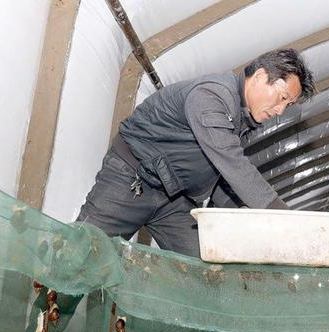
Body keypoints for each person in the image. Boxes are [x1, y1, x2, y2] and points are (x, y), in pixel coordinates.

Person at [77, 48, 315, 256]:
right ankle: (48, 308)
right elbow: (233, 164)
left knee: (200, 272)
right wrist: (285, 218)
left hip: (175, 197)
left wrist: (240, 212)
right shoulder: (211, 96)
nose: (281, 110)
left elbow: (218, 175)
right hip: (131, 180)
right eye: (282, 97)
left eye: (289, 105)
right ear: (261, 76)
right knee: (80, 257)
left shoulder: (244, 119)